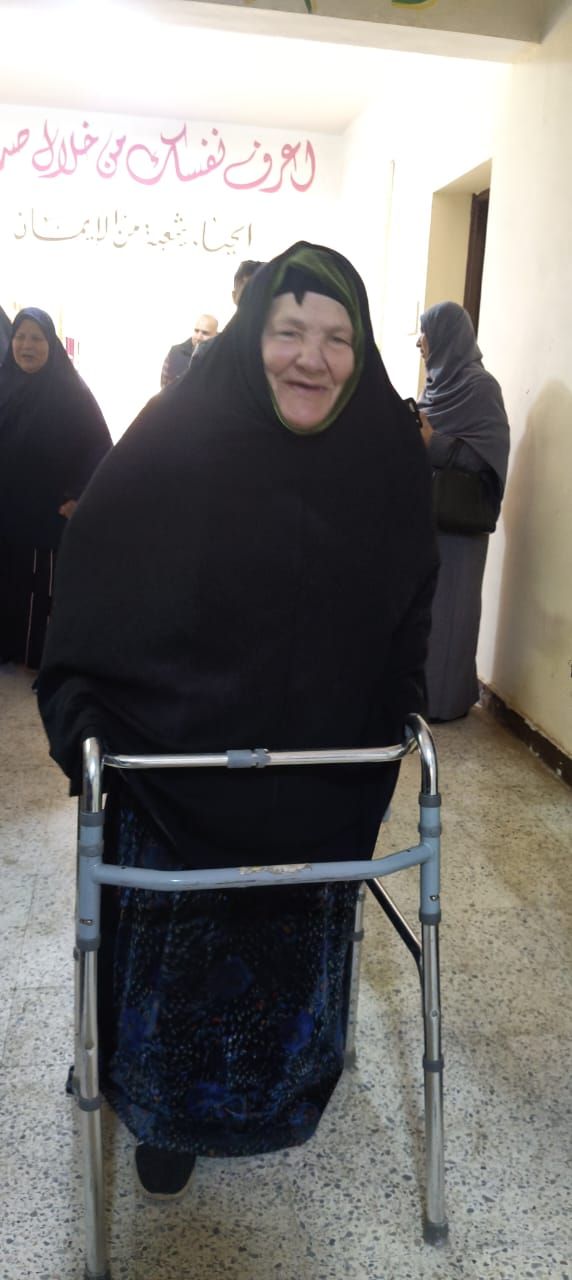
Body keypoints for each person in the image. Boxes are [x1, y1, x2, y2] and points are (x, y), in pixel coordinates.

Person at [38, 242, 438, 1199]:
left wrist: (392, 712)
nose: (313, 358)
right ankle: (161, 1108)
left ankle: (276, 1097)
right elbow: (96, 565)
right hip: (180, 772)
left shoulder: (385, 453)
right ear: (255, 332)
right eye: (289, 330)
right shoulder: (180, 431)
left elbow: (409, 605)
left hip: (319, 780)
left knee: (282, 969)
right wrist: (91, 709)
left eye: (338, 338)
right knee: (177, 966)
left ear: (362, 350)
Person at [0, 308, 112, 668]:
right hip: (6, 506)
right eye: (20, 336)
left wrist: (78, 495)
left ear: (51, 344)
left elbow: (99, 449)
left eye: (36, 338)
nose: (26, 345)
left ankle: (36, 654)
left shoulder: (71, 394)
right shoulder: (4, 383)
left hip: (45, 512)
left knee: (37, 586)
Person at [416, 300, 510, 721]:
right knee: (426, 610)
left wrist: (432, 442)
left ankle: (446, 701)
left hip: (460, 523)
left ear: (447, 336)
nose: (420, 341)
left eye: (426, 331)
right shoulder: (436, 385)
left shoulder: (481, 387)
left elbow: (485, 460)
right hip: (430, 515)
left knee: (451, 611)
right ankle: (420, 697)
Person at [160, 312, 218, 388]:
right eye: (196, 331)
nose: (198, 337)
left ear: (216, 335)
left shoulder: (222, 358)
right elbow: (164, 387)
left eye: (205, 333)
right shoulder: (174, 353)